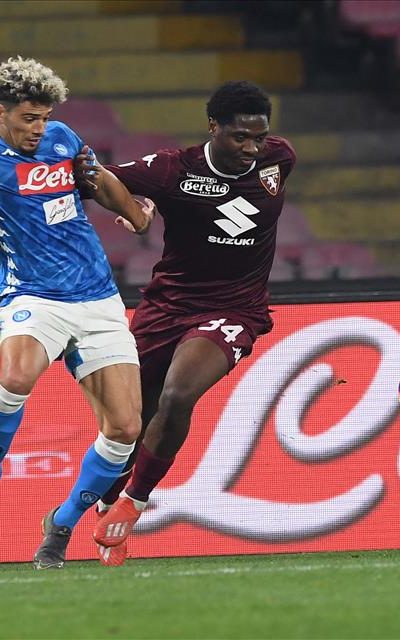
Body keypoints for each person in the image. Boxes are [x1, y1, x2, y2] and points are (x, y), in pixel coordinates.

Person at [81, 80, 296, 566]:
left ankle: (133, 502)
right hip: (167, 306)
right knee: (128, 421)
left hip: (234, 309)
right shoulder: (172, 169)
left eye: (259, 137)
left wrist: (152, 204)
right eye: (240, 137)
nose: (251, 148)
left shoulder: (280, 159)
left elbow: (252, 172)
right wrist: (137, 205)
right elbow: (98, 178)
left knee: (179, 394)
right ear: (213, 126)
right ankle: (105, 503)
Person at [0, 56, 154, 570]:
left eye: (43, 118)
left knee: (125, 428)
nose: (38, 129)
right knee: (14, 376)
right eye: (28, 119)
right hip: (33, 295)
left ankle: (61, 524)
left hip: (97, 297)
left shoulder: (61, 139)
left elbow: (97, 178)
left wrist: (135, 215)